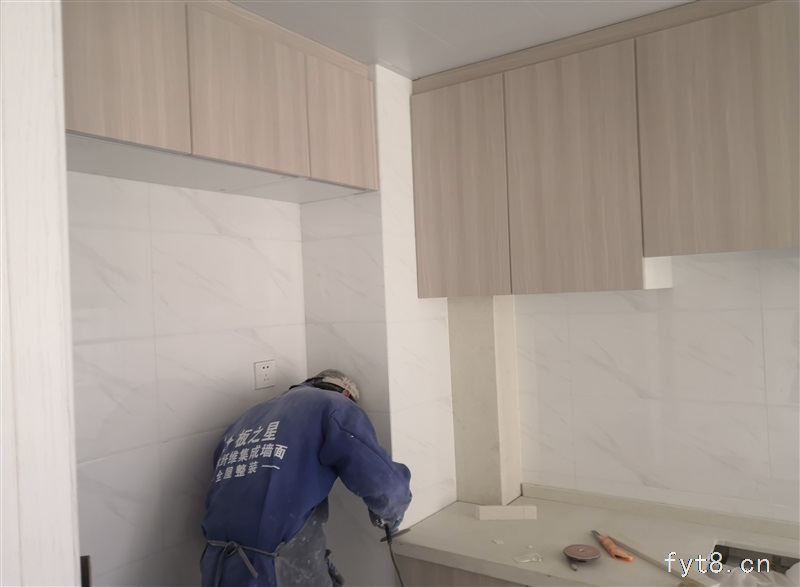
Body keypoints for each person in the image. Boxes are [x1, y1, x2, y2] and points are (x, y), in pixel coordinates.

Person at [200, 369, 412, 587]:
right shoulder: (334, 405)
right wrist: (390, 516)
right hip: (277, 568)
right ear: (346, 394)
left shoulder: (245, 420)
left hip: (217, 565)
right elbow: (388, 487)